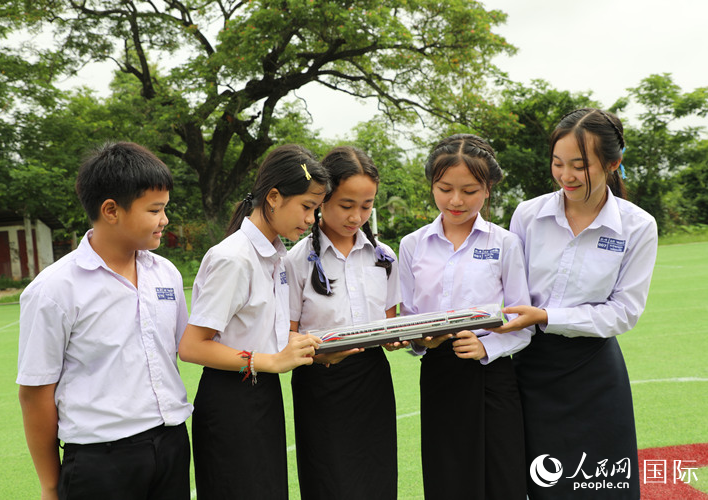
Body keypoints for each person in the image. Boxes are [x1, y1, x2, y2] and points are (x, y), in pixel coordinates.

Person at [493, 108, 658, 499]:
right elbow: (508, 291)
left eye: (580, 166)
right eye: (557, 163)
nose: (566, 176)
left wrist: (548, 315)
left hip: (595, 375)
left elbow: (624, 311)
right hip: (530, 369)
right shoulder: (528, 215)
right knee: (540, 483)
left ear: (613, 164)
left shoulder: (638, 226)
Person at [17, 142, 193, 500]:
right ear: (111, 210)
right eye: (155, 209)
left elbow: (180, 349)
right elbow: (36, 394)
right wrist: (51, 485)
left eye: (165, 208)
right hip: (102, 460)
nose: (165, 220)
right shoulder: (54, 290)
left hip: (172, 442)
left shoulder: (166, 274)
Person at [178, 144, 329, 500]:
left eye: (316, 210)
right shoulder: (234, 258)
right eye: (307, 207)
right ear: (273, 197)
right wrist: (272, 361)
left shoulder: (276, 254)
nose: (311, 220)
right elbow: (191, 346)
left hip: (262, 394)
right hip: (231, 401)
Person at [399, 134, 532, 500]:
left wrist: (488, 347)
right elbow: (408, 318)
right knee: (449, 478)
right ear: (432, 186)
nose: (456, 201)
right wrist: (420, 340)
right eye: (444, 189)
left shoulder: (505, 244)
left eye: (469, 190)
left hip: (494, 378)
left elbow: (524, 324)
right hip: (440, 375)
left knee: (501, 477)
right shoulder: (412, 246)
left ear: (487, 190)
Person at [285, 146, 401, 499]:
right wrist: (318, 356)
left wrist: (396, 337)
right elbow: (288, 335)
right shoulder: (297, 259)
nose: (357, 216)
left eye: (366, 206)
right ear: (322, 199)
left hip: (373, 379)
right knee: (328, 479)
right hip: (319, 383)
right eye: (346, 205)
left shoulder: (384, 257)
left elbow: (391, 321)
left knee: (377, 476)